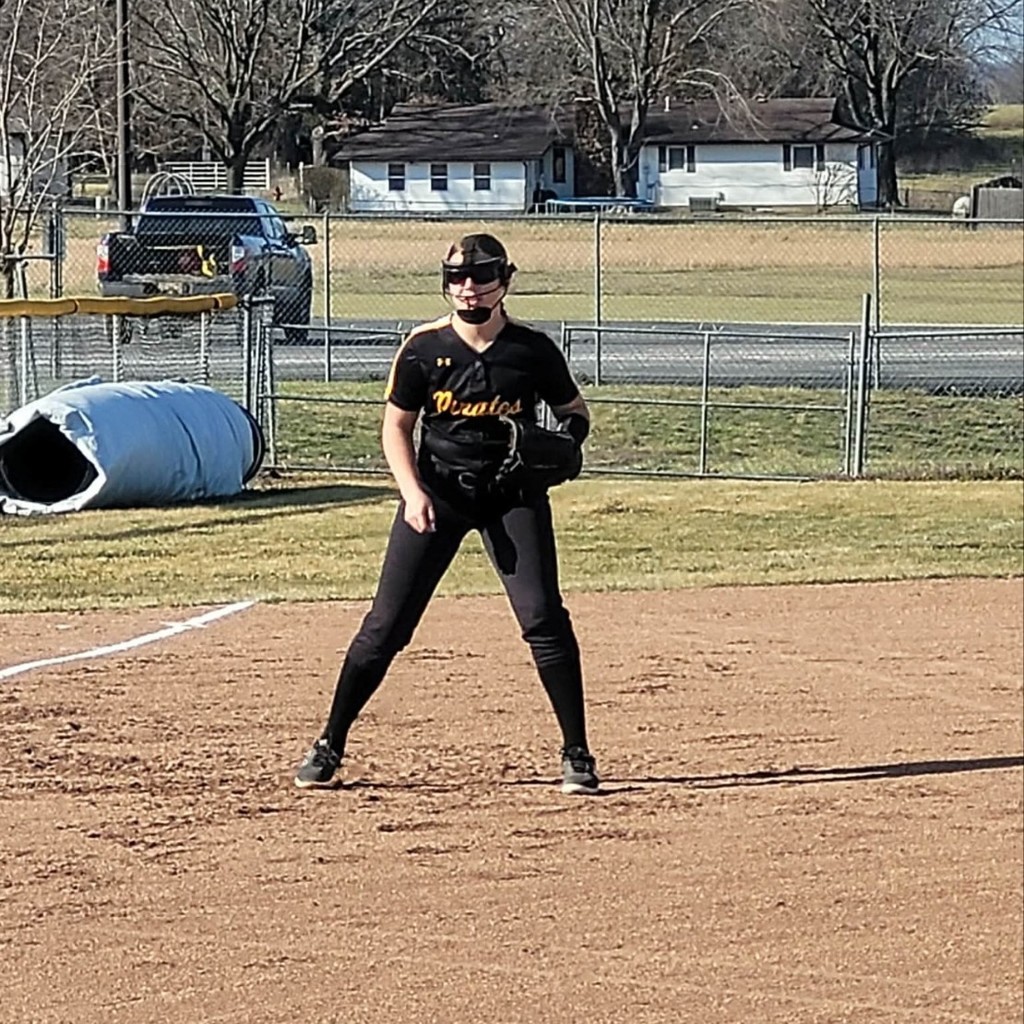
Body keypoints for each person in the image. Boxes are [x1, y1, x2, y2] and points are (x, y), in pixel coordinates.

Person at [294, 232, 599, 795]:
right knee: (386, 626)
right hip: (438, 494)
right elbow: (396, 427)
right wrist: (412, 492)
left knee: (543, 617)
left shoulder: (532, 350)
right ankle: (330, 743)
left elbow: (574, 413)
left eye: (482, 276)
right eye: (458, 277)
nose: (468, 287)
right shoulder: (423, 348)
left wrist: (564, 444)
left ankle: (576, 753)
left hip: (511, 497)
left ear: (505, 281)